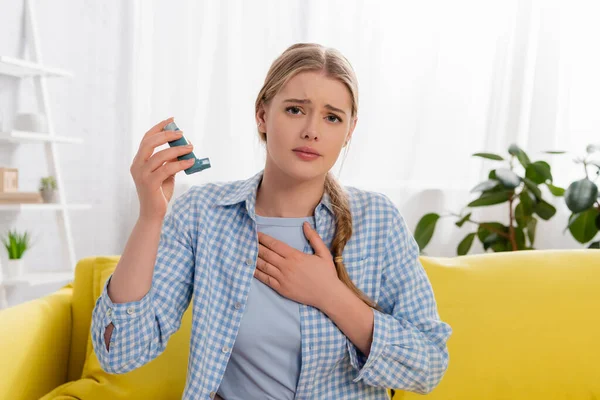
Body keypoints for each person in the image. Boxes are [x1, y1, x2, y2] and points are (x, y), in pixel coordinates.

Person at [91, 42, 452, 400]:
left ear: (349, 131)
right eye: (296, 110)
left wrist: (330, 296)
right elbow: (119, 352)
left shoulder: (378, 221)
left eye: (332, 117)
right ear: (262, 115)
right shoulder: (203, 214)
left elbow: (429, 364)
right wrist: (150, 217)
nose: (312, 130)